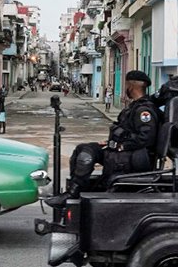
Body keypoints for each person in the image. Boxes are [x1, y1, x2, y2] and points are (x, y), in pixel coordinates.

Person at [47, 70, 159, 205]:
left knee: (86, 155)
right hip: (123, 152)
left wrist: (120, 146)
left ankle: (73, 193)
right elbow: (125, 131)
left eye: (126, 84)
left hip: (132, 157)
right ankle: (75, 190)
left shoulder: (143, 110)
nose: (125, 88)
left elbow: (146, 138)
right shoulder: (133, 107)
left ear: (132, 86)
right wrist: (111, 142)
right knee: (84, 150)